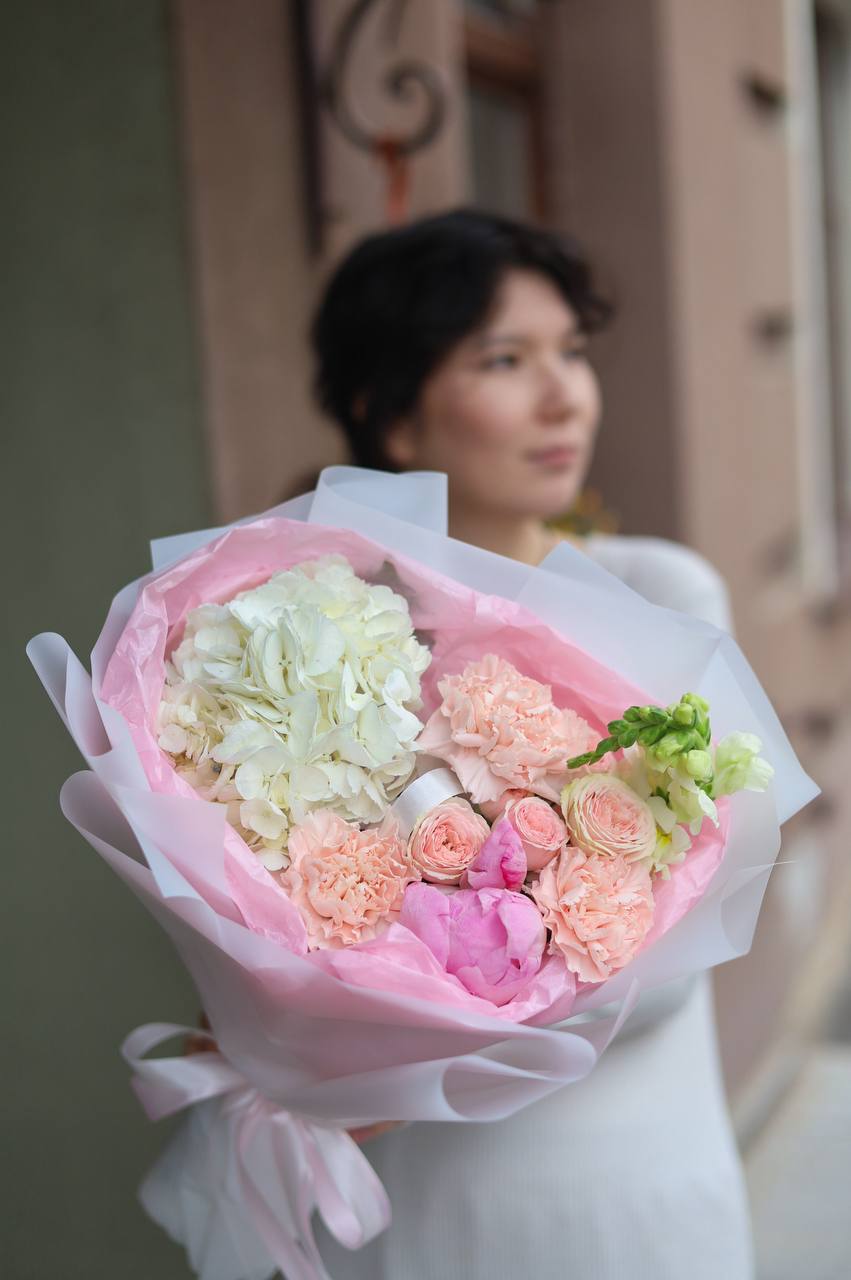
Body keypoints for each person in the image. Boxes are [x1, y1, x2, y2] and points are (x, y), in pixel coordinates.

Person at [310, 209, 753, 1279]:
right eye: (504, 360)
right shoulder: (329, 633)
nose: (563, 395)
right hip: (413, 1198)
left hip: (627, 1187)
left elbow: (685, 949)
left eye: (570, 353)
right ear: (390, 415)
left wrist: (397, 1016)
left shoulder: (660, 595)